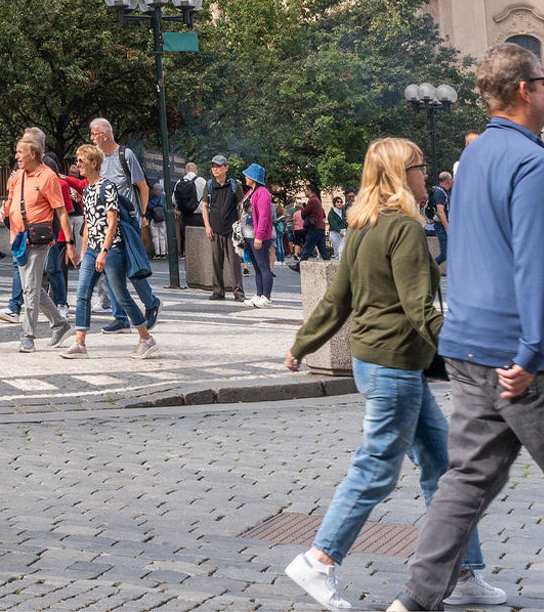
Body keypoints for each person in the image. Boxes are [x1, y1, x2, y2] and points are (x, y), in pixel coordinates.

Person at [282, 137, 506, 612]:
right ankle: (319, 559)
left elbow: (337, 299)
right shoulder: (403, 227)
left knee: (443, 467)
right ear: (403, 175)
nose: (427, 175)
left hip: (381, 363)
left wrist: (302, 344)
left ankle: (462, 572)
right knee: (377, 469)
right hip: (394, 367)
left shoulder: (364, 225)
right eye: (421, 167)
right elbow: (420, 310)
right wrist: (477, 352)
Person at [388, 43, 544, 612]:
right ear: (523, 90)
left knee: (465, 481)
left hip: (466, 344)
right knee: (466, 480)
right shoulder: (535, 163)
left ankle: (414, 600)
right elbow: (537, 264)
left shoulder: (475, 157)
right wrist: (531, 352)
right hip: (521, 354)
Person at [60, 145, 157, 361]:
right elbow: (88, 223)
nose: (78, 164)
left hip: (112, 249)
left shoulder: (108, 187)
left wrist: (104, 251)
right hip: (92, 250)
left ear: (93, 163)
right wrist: (84, 252)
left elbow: (113, 223)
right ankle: (80, 344)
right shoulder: (87, 190)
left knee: (121, 295)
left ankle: (146, 338)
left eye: (81, 161)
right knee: (82, 294)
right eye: (77, 160)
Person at [4, 128, 72, 352]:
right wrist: (5, 212)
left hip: (38, 240)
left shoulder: (48, 177)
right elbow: (11, 199)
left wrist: (69, 243)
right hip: (19, 239)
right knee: (31, 287)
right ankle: (60, 324)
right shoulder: (19, 175)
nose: (16, 156)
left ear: (32, 153)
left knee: (31, 290)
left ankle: (28, 336)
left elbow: (61, 211)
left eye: (20, 152)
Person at [203, 156, 244, 301]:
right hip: (215, 230)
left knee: (234, 263)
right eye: (213, 166)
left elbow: (241, 205)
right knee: (216, 262)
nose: (215, 169)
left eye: (218, 166)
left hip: (232, 230)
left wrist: (240, 225)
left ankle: (238, 293)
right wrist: (207, 226)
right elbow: (204, 206)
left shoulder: (235, 185)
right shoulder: (209, 185)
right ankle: (218, 291)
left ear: (226, 168)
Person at [244, 163, 277, 306]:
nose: (245, 177)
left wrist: (259, 236)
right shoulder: (251, 192)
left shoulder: (262, 192)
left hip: (258, 235)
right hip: (249, 234)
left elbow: (263, 216)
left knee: (263, 266)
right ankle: (259, 294)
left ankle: (266, 297)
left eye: (247, 175)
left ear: (253, 177)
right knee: (257, 267)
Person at [296, 185, 332, 264]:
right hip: (319, 227)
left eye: (305, 190)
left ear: (309, 190)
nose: (304, 192)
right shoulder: (316, 200)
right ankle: (329, 264)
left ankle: (300, 265)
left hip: (314, 227)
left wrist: (303, 208)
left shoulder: (312, 200)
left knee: (308, 246)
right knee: (322, 248)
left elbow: (304, 214)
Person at [425, 168, 452, 267]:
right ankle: (429, 269)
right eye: (451, 179)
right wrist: (447, 228)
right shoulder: (440, 193)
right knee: (445, 254)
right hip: (441, 227)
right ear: (448, 180)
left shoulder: (444, 192)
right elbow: (441, 212)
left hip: (444, 226)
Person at [174, 160, 205, 234]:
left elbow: (174, 201)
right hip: (200, 217)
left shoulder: (179, 182)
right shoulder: (201, 181)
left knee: (185, 239)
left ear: (185, 171)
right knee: (200, 239)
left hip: (184, 218)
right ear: (196, 171)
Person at [328, 191, 348, 259]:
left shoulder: (343, 212)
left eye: (341, 202)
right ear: (334, 203)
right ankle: (337, 261)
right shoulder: (332, 213)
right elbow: (333, 223)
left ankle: (341, 262)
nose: (340, 203)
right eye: (338, 202)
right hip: (335, 232)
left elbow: (346, 221)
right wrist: (339, 231)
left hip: (343, 231)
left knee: (342, 250)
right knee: (336, 251)